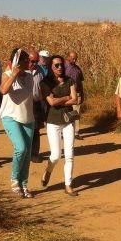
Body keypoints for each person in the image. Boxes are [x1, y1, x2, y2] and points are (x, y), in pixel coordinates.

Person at [40, 55, 79, 197]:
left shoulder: (70, 80)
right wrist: (66, 98)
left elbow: (75, 100)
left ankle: (68, 184)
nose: (60, 67)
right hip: (53, 121)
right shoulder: (45, 83)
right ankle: (49, 170)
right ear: (51, 66)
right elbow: (51, 102)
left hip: (68, 120)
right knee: (56, 155)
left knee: (69, 154)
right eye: (56, 65)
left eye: (61, 64)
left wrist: (61, 100)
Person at [0, 48, 35, 198]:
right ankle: (15, 181)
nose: (29, 63)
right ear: (16, 63)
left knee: (27, 153)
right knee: (20, 148)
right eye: (25, 61)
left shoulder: (30, 76)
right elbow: (3, 90)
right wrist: (13, 74)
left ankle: (24, 185)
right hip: (10, 117)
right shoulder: (6, 74)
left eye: (29, 61)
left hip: (28, 118)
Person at [27, 50, 46, 161]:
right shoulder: (21, 71)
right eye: (31, 61)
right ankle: (25, 152)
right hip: (24, 104)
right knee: (25, 129)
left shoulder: (40, 71)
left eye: (35, 61)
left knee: (36, 129)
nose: (33, 64)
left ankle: (34, 153)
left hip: (36, 103)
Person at [64, 52, 85, 139]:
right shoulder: (63, 67)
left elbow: (80, 81)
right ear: (68, 57)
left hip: (77, 93)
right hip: (67, 94)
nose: (74, 60)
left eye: (75, 58)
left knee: (76, 112)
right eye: (72, 58)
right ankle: (65, 131)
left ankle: (76, 132)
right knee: (67, 112)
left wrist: (82, 93)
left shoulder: (77, 68)